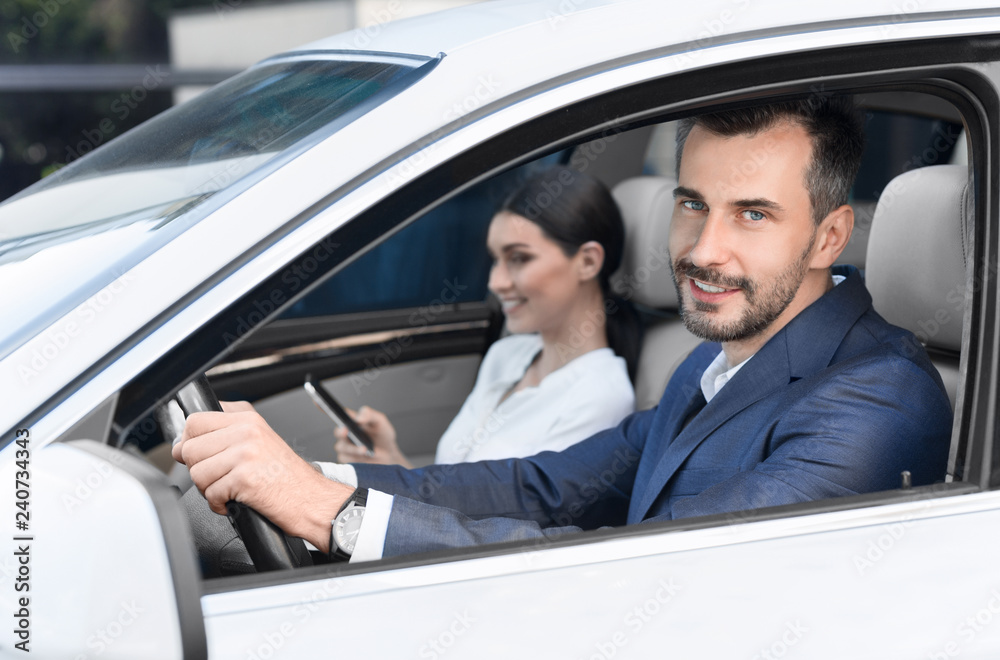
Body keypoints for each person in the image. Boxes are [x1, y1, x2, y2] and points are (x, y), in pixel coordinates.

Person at [173, 96, 953, 564]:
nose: (703, 250)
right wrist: (306, 476)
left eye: (753, 214)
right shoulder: (715, 364)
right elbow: (539, 486)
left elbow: (650, 565)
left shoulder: (878, 398)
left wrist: (332, 515)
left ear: (828, 237)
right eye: (692, 204)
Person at [334, 166, 638, 467]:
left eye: (519, 258)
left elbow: (515, 517)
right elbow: (454, 495)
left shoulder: (599, 397)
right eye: (496, 260)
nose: (495, 282)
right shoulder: (507, 354)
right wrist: (393, 462)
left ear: (587, 261)